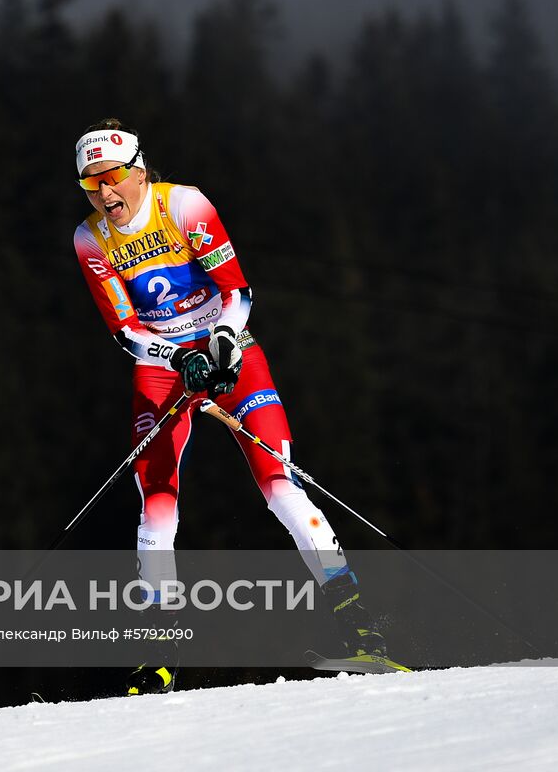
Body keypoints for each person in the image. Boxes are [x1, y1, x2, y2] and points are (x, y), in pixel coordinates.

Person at [71, 118, 393, 694]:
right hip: (161, 368)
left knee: (279, 486)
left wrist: (218, 343)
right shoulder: (89, 239)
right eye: (91, 185)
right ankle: (157, 657)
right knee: (158, 505)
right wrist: (176, 357)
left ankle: (361, 630)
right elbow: (123, 331)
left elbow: (237, 292)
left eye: (114, 177)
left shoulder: (187, 205)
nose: (106, 194)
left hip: (230, 350)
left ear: (140, 169)